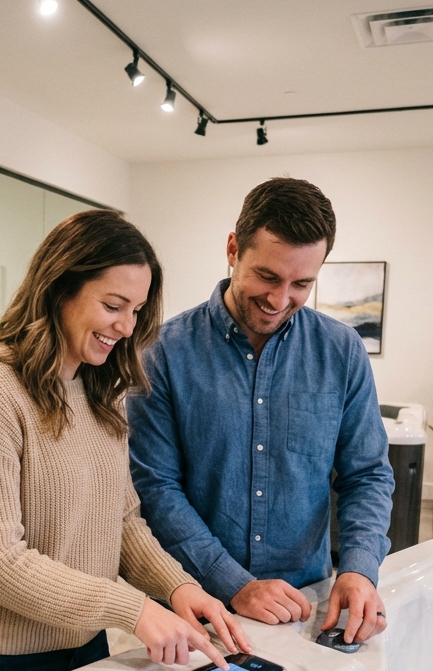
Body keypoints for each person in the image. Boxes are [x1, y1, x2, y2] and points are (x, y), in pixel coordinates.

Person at [0, 209, 250, 671]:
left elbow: (122, 520)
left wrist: (179, 586)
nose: (126, 328)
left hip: (84, 648)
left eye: (137, 310)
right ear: (61, 288)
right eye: (113, 306)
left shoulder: (99, 390)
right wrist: (135, 609)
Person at [127, 178, 393, 645]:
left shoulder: (342, 350)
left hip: (308, 604)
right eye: (267, 276)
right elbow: (156, 487)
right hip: (201, 609)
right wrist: (236, 584)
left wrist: (359, 569)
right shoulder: (162, 352)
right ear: (233, 249)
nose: (279, 299)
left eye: (302, 283)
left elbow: (367, 474)